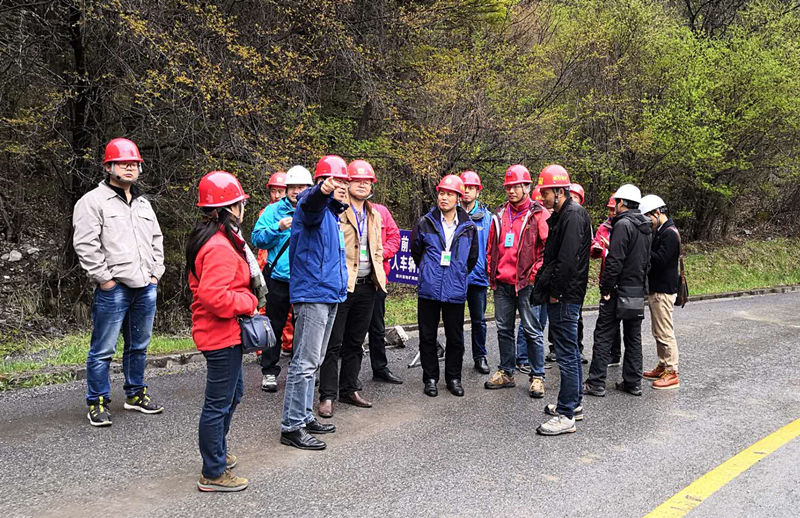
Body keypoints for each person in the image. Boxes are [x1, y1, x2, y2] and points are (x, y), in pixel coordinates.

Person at [72, 138, 165, 427]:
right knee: (103, 350)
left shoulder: (144, 204)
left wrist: (155, 274)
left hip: (145, 286)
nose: (129, 167)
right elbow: (85, 245)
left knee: (139, 346)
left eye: (134, 163)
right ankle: (97, 401)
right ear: (108, 166)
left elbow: (156, 240)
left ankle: (135, 394)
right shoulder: (92, 202)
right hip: (114, 289)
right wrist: (105, 280)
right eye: (122, 163)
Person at [187, 171, 262, 492]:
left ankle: (217, 450)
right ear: (231, 209)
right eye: (240, 203)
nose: (244, 209)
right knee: (217, 405)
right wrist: (249, 301)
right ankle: (213, 472)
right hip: (220, 335)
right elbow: (214, 297)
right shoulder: (219, 246)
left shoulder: (217, 238)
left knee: (234, 394)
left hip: (224, 333)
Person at [280, 155, 349, 451]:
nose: (342, 186)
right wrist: (321, 191)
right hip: (313, 295)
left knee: (314, 361)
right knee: (304, 363)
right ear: (322, 182)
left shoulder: (333, 215)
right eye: (336, 181)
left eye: (345, 182)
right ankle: (292, 426)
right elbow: (309, 203)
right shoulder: (313, 208)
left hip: (330, 294)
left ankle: (305, 417)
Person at [318, 160, 387, 417]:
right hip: (341, 285)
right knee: (333, 343)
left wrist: (379, 274)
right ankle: (327, 395)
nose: (362, 184)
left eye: (367, 181)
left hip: (367, 286)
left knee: (356, 342)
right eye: (357, 180)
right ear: (347, 183)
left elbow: (377, 248)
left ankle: (349, 388)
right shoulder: (336, 209)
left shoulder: (374, 214)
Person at [531, 164, 592, 436]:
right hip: (564, 294)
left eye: (545, 192)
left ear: (559, 191)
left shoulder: (573, 216)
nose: (542, 197)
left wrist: (555, 292)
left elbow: (567, 261)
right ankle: (573, 403)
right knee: (569, 352)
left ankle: (566, 414)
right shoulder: (563, 214)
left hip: (565, 296)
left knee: (566, 354)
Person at [485, 165, 549, 400]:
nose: (511, 191)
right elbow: (491, 246)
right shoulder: (500, 214)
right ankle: (506, 372)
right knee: (504, 329)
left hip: (526, 284)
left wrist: (534, 274)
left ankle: (537, 376)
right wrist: (491, 270)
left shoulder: (538, 214)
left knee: (532, 330)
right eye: (508, 187)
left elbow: (547, 249)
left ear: (527, 187)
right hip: (502, 282)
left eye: (515, 186)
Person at [410, 175, 478, 397]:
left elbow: (472, 258)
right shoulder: (425, 222)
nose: (444, 197)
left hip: (455, 288)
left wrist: (457, 273)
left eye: (449, 194)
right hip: (429, 288)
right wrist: (428, 271)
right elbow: (416, 251)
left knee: (455, 337)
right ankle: (430, 378)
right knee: (427, 336)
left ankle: (453, 378)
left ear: (458, 198)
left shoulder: (468, 226)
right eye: (441, 193)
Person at [584, 184, 652, 398]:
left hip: (617, 290)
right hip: (636, 289)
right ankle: (633, 382)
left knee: (604, 334)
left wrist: (606, 287)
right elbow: (647, 261)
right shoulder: (647, 226)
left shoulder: (622, 225)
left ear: (621, 202)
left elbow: (615, 260)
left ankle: (596, 383)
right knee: (633, 336)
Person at [251, 166, 313, 392]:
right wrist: (277, 227)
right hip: (278, 278)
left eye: (301, 187)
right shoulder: (273, 211)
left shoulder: (316, 210)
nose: (296, 191)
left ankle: (301, 371)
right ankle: (269, 371)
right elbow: (257, 238)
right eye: (292, 187)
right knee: (274, 326)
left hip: (307, 280)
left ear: (309, 188)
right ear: (286, 189)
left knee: (304, 328)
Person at [639, 194, 681, 390]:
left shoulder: (669, 234)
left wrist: (644, 249)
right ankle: (663, 364)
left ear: (657, 212)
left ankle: (672, 371)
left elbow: (660, 260)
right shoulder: (662, 231)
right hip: (657, 288)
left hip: (664, 290)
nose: (648, 222)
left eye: (648, 217)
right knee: (658, 330)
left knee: (665, 331)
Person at [257, 171, 295, 358]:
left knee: (292, 315)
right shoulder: (267, 213)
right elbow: (260, 243)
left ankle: (289, 345)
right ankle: (266, 353)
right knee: (269, 314)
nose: (277, 195)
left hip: (293, 273)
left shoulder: (303, 211)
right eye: (274, 191)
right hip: (272, 270)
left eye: (280, 191)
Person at [460, 170, 493, 375]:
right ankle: (456, 356)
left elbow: (492, 247)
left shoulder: (487, 217)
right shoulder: (450, 213)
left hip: (478, 277)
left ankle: (480, 356)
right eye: (464, 187)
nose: (467, 191)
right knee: (454, 320)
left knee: (479, 320)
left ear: (477, 191)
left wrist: (489, 271)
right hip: (455, 277)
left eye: (471, 188)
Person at [367, 199, 402, 384]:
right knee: (349, 330)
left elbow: (394, 237)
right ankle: (347, 378)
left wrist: (379, 253)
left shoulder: (381, 211)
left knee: (377, 327)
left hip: (377, 279)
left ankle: (380, 368)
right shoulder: (342, 210)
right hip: (350, 281)